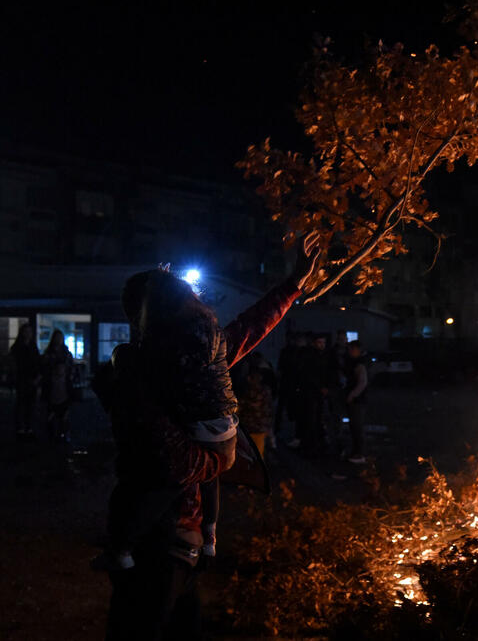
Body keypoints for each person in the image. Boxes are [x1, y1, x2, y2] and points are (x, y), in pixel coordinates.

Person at [95, 233, 321, 640]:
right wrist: (218, 460)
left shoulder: (195, 361)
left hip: (187, 541)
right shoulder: (137, 378)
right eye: (186, 303)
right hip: (157, 545)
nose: (196, 309)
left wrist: (294, 284)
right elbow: (172, 463)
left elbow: (247, 329)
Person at [95, 268, 242, 571]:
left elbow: (169, 381)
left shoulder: (183, 336)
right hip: (220, 427)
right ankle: (209, 535)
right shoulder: (203, 326)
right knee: (196, 478)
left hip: (206, 433)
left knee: (163, 482)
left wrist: (124, 363)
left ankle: (124, 547)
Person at [295, 333, 331, 457]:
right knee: (310, 418)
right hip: (310, 392)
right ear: (314, 343)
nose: (322, 345)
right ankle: (310, 445)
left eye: (323, 343)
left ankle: (315, 444)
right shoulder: (309, 356)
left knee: (318, 418)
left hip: (319, 393)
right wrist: (319, 386)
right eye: (320, 343)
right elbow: (308, 374)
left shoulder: (324, 356)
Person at [236, 352, 276, 458]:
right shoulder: (265, 390)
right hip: (259, 426)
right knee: (258, 453)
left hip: (249, 427)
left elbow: (239, 408)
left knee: (249, 453)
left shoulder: (246, 391)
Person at [41, 328, 74, 443]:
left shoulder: (65, 352)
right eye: (57, 338)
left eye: (60, 338)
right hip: (52, 385)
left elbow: (71, 367)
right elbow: (44, 368)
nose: (59, 340)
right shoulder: (50, 353)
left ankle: (62, 433)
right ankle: (53, 434)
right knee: (52, 412)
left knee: (63, 413)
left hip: (64, 385)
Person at [277, 332, 307, 448]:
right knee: (291, 411)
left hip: (292, 386)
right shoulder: (295, 353)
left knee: (290, 411)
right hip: (292, 386)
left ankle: (282, 432)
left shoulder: (295, 353)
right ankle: (284, 433)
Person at [10, 323, 40, 440]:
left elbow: (37, 363)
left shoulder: (33, 346)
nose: (28, 334)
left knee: (30, 404)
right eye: (26, 331)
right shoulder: (17, 347)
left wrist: (38, 377)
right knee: (21, 404)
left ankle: (28, 427)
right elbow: (14, 364)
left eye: (29, 332)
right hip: (21, 379)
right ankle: (20, 427)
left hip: (32, 379)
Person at [342, 340, 368, 464]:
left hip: (358, 400)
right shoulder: (353, 363)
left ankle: (360, 454)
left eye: (353, 349)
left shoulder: (360, 364)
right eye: (350, 349)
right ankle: (356, 452)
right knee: (354, 427)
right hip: (355, 399)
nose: (350, 351)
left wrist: (352, 395)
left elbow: (362, 382)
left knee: (357, 427)